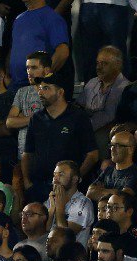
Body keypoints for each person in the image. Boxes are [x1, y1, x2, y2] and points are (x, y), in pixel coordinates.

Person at [22, 71, 98, 203]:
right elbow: (27, 153)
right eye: (40, 88)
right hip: (38, 186)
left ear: (60, 92)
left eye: (46, 88)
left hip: (67, 188)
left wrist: (75, 179)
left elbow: (92, 155)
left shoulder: (78, 117)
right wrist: (27, 182)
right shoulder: (36, 118)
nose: (40, 92)